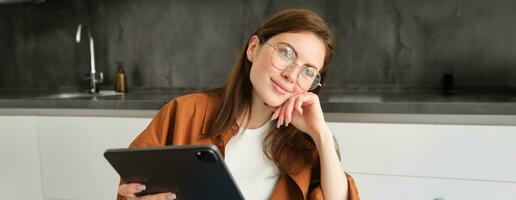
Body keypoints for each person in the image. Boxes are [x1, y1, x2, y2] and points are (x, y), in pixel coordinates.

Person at [117, 8, 360, 200]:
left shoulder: (308, 145)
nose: (292, 75)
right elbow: (133, 187)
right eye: (286, 53)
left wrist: (322, 135)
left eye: (308, 71)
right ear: (253, 48)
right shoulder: (183, 112)